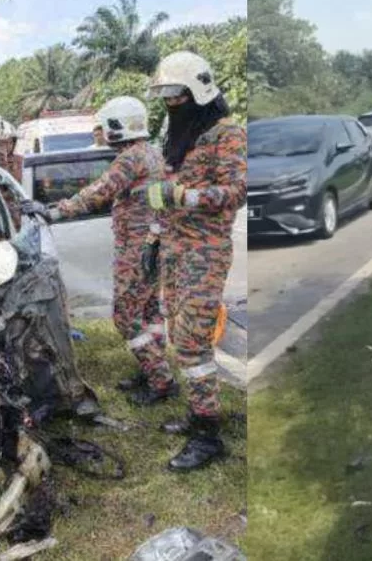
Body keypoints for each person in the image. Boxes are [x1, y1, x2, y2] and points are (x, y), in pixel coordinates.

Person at [138, 51, 246, 471]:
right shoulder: (178, 137)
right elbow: (161, 195)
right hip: (174, 253)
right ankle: (197, 412)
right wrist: (153, 235)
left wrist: (189, 197)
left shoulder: (226, 134)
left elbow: (236, 190)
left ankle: (208, 434)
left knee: (191, 342)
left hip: (205, 253)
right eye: (163, 96)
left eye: (175, 95)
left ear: (198, 91)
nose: (168, 103)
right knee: (175, 332)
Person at [46, 96, 177, 406]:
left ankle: (160, 379)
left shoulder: (131, 158)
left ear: (118, 126)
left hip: (138, 248)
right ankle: (153, 369)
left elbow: (100, 191)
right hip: (154, 244)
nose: (101, 131)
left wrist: (57, 210)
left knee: (125, 316)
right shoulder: (154, 153)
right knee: (149, 312)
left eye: (104, 126)